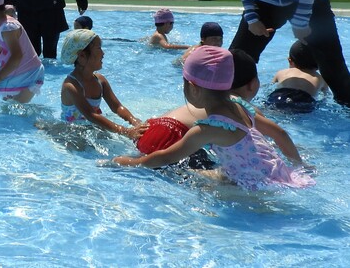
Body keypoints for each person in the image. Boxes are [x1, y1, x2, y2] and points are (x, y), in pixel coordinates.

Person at [112, 46, 315, 190]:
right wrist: (300, 165)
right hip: (278, 172)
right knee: (209, 174)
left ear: (192, 87)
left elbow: (165, 157)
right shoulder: (242, 106)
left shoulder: (207, 129)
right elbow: (280, 133)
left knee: (188, 183)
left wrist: (129, 162)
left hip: (255, 186)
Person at [60, 29, 146, 138]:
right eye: (99, 48)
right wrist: (125, 131)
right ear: (82, 56)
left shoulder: (100, 80)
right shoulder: (71, 86)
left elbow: (117, 107)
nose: (103, 53)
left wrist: (134, 121)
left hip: (94, 128)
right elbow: (92, 115)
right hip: (72, 133)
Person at [268, 41, 328, 112]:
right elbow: (325, 95)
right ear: (319, 64)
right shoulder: (320, 78)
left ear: (290, 61)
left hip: (279, 96)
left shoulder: (281, 72)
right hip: (304, 100)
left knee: (271, 110)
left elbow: (270, 87)